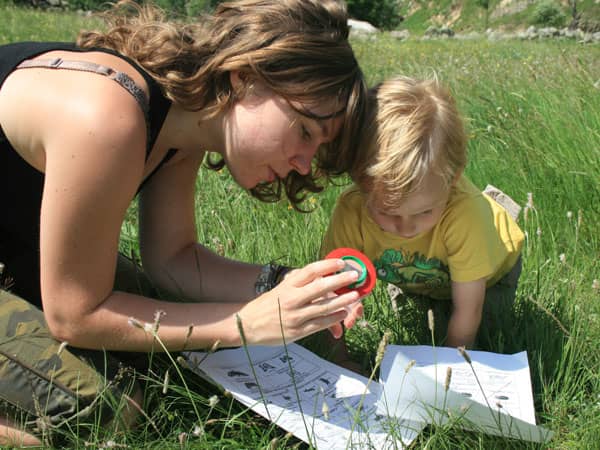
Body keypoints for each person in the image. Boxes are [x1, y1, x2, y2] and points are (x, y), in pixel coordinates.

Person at [0, 0, 368, 445]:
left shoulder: (180, 125)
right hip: (25, 258)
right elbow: (74, 316)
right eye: (305, 131)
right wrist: (246, 324)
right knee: (107, 410)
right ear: (246, 76)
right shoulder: (107, 117)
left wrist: (284, 285)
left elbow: (173, 259)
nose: (306, 165)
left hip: (17, 244)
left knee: (163, 348)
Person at [320, 76, 524, 356]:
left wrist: (451, 371)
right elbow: (328, 294)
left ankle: (496, 209)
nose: (406, 228)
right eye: (387, 212)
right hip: (420, 270)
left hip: (491, 274)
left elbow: (468, 310)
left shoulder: (463, 213)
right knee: (418, 325)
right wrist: (337, 360)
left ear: (453, 180)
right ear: (359, 181)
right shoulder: (352, 211)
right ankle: (426, 292)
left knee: (488, 333)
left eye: (425, 211)